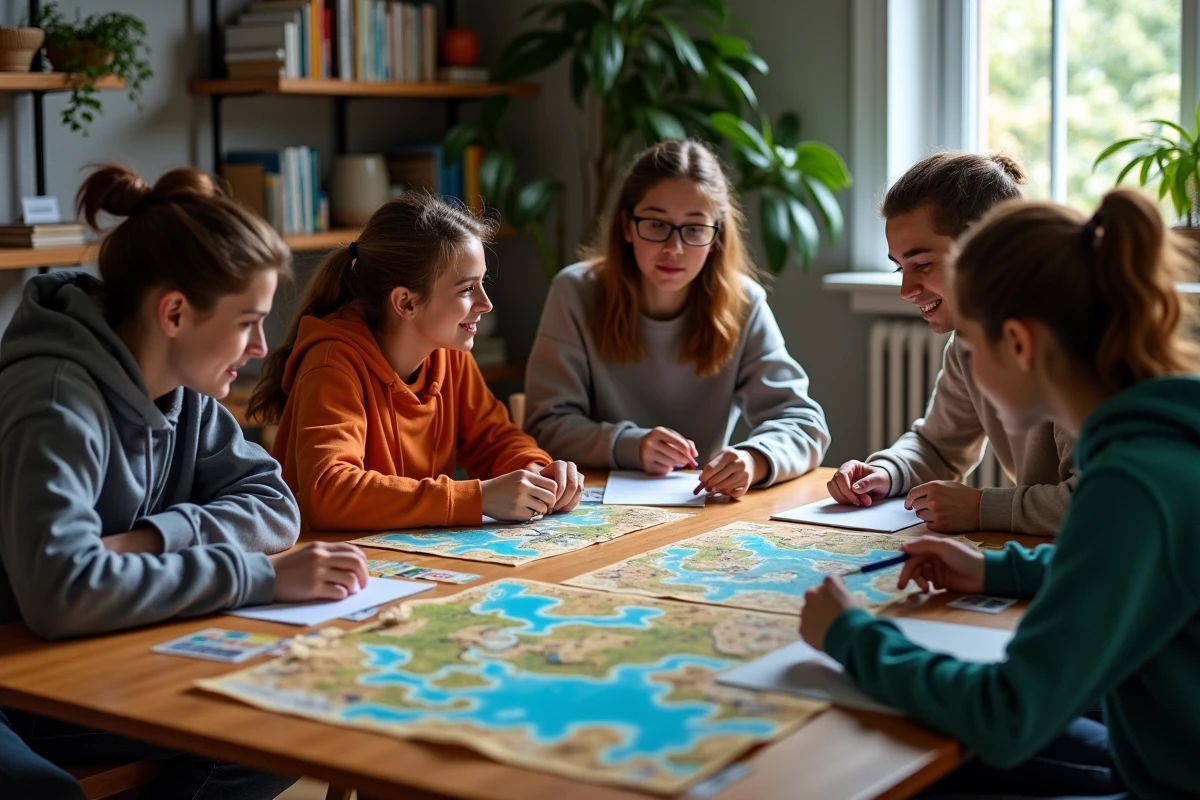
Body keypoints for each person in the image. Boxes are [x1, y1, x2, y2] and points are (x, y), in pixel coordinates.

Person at [802, 188, 1200, 799]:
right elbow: (1118, 569)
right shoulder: (1155, 444)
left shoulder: (1130, 483)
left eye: (975, 345)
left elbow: (1007, 714)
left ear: (1017, 344)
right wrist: (995, 570)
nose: (967, 364)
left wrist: (851, 636)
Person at [0, 166, 369, 798]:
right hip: (19, 675)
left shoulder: (184, 390)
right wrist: (262, 577)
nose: (260, 347)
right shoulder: (55, 401)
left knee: (277, 731)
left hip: (87, 649)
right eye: (248, 322)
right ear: (174, 312)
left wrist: (153, 538)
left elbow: (276, 506)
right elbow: (62, 593)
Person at [249, 193, 583, 529]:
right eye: (467, 289)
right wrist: (476, 497)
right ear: (406, 303)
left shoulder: (449, 352)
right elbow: (329, 491)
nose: (486, 304)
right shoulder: (332, 363)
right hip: (333, 565)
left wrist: (536, 471)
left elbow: (493, 439)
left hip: (404, 557)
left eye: (483, 284)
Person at [524, 139, 829, 499]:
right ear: (627, 226)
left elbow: (805, 423)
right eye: (656, 224)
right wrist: (629, 444)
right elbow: (546, 425)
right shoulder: (575, 292)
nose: (674, 248)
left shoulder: (744, 302)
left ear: (717, 236)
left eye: (695, 228)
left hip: (700, 506)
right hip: (590, 504)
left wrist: (754, 458)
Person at [828, 152, 1075, 534]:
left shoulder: (1073, 343)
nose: (906, 290)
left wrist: (981, 508)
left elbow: (1104, 502)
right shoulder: (968, 342)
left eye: (922, 264)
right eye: (899, 268)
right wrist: (887, 471)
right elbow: (939, 447)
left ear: (989, 250)